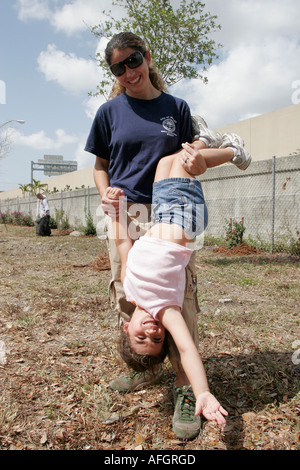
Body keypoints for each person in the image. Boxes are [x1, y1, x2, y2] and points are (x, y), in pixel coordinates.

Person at [84, 31, 250, 439]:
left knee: (182, 298)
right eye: (118, 68)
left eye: (133, 61)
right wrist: (107, 195)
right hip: (128, 208)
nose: (128, 72)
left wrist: (200, 153)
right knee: (128, 295)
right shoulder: (109, 111)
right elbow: (100, 165)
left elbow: (188, 164)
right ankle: (145, 367)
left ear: (147, 56)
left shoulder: (176, 108)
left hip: (162, 209)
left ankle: (185, 388)